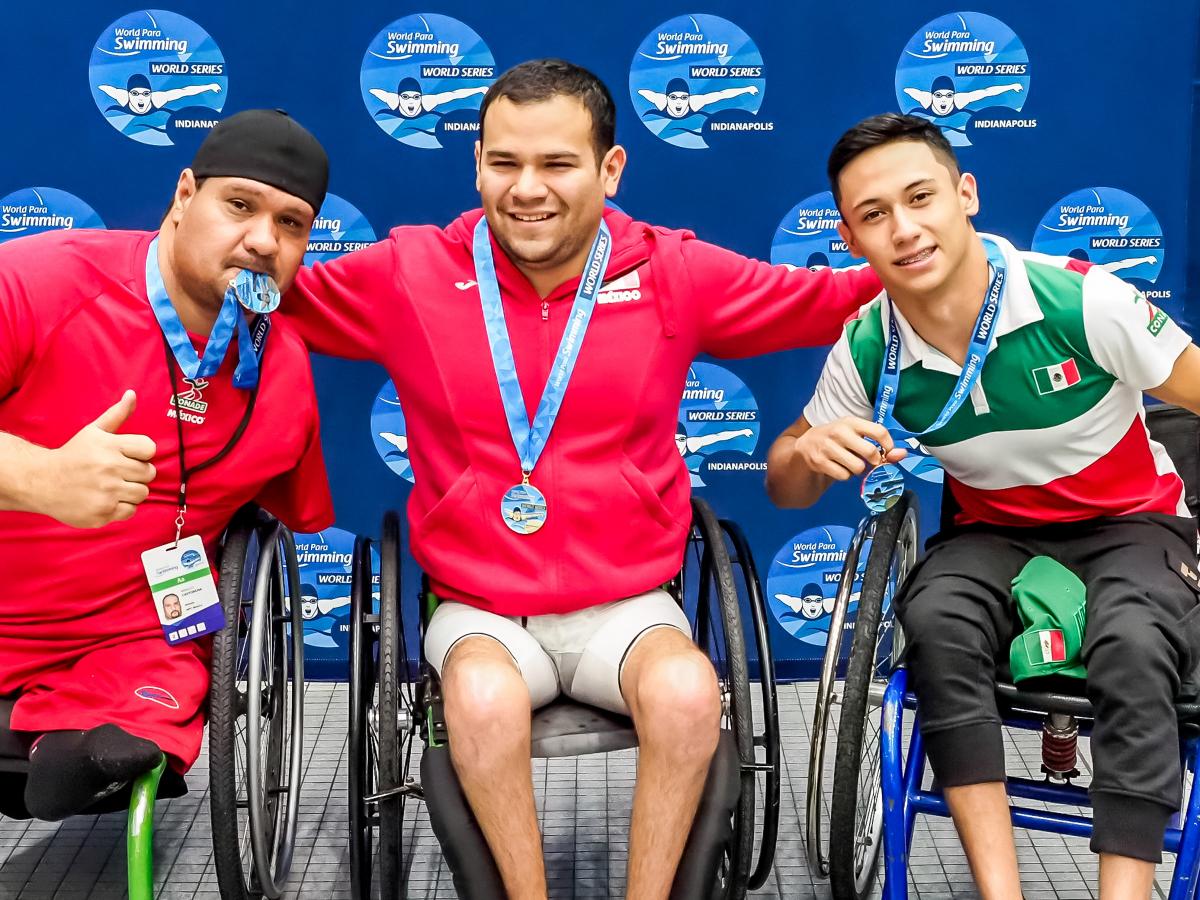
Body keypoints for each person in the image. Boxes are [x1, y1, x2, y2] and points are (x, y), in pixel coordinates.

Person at [285, 58, 880, 900]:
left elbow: (828, 299)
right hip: (480, 607)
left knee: (686, 695)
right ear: (477, 162)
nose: (526, 190)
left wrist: (980, 265)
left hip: (629, 605)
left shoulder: (672, 271)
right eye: (504, 163)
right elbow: (260, 289)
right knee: (483, 704)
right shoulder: (409, 271)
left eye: (557, 164)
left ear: (610, 169)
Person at [766, 112, 1200, 898]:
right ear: (851, 237)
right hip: (992, 528)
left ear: (965, 194)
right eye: (874, 215)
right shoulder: (869, 344)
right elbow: (783, 482)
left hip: (1131, 521)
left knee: (1136, 643)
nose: (904, 229)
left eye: (920, 197)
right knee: (933, 624)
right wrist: (805, 455)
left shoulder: (1078, 302)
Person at [0, 109, 334, 821]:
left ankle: (59, 754)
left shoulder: (285, 377)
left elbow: (283, 522)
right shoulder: (38, 284)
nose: (261, 241)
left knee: (131, 730)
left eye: (292, 224)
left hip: (138, 635)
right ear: (184, 196)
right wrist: (36, 480)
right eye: (239, 206)